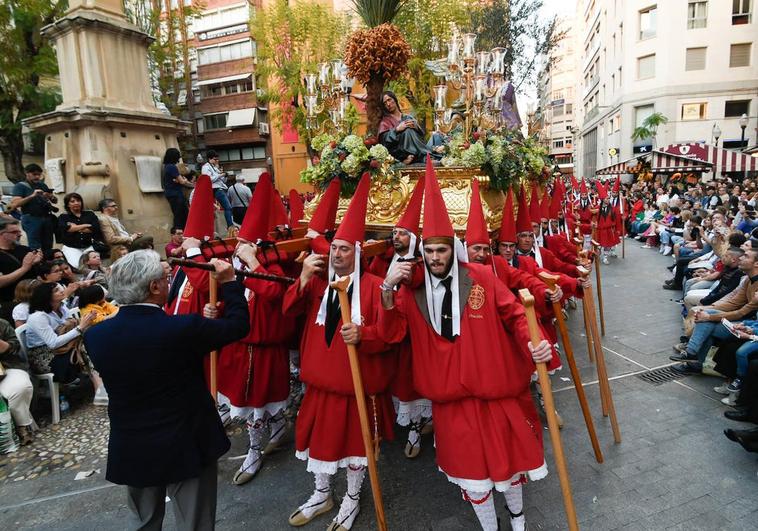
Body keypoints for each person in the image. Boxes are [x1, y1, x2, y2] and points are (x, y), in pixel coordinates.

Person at [377, 164, 551, 531]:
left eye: (441, 249)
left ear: (452, 251)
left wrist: (537, 343)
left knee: (510, 466)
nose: (436, 257)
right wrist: (387, 290)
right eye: (430, 251)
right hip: (449, 402)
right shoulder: (412, 292)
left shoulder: (483, 278)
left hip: (494, 392)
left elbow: (516, 315)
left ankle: (517, 521)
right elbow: (391, 334)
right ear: (421, 253)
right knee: (473, 476)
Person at [83, 250, 249, 530]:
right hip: (187, 440)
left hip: (134, 443)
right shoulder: (181, 328)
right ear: (154, 287)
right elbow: (238, 326)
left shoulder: (96, 336)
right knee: (194, 523)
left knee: (143, 522)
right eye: (165, 277)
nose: (168, 280)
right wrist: (230, 283)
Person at [282, 175, 396, 531]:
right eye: (334, 248)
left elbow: (393, 334)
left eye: (345, 249)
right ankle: (322, 493)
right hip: (318, 386)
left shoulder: (375, 287)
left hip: (355, 390)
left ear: (358, 254)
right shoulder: (317, 282)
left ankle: (351, 497)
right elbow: (289, 313)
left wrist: (364, 335)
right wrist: (301, 279)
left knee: (355, 451)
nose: (336, 253)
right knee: (318, 446)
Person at [212, 176, 294, 485]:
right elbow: (229, 299)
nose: (241, 248)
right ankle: (277, 429)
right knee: (244, 403)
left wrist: (253, 264)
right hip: (238, 345)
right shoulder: (235, 265)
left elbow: (275, 295)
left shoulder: (274, 266)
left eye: (247, 245)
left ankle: (255, 451)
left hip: (265, 347)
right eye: (240, 244)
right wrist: (216, 309)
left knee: (260, 403)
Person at [26, 282, 97, 384]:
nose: (62, 291)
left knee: (92, 340)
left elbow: (71, 328)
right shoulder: (38, 316)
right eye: (56, 290)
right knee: (85, 348)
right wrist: (80, 327)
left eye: (61, 288)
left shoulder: (62, 308)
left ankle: (99, 383)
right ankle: (99, 384)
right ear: (46, 296)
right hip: (44, 355)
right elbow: (53, 343)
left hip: (65, 346)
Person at [0, 218, 43, 321]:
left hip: (35, 299)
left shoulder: (24, 249)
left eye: (19, 231)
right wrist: (24, 268)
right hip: (11, 304)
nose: (19, 234)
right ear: (2, 234)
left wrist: (36, 263)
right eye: (14, 232)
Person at [0, 317, 34, 445]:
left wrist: (4, 346)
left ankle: (21, 427)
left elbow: (15, 346)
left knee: (20, 387)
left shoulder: (2, 324)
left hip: (7, 368)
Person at [9, 163, 58, 251]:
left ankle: (47, 263)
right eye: (34, 174)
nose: (37, 177)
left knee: (48, 246)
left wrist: (50, 197)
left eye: (39, 174)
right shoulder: (20, 186)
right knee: (35, 247)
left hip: (46, 218)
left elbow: (55, 201)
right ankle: (37, 264)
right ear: (27, 173)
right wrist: (32, 195)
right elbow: (15, 204)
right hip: (31, 219)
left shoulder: (42, 185)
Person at [378, 91, 435, 165]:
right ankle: (426, 155)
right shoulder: (385, 122)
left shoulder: (407, 117)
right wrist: (397, 130)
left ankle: (420, 155)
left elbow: (421, 137)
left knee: (410, 128)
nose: (388, 104)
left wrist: (416, 127)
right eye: (385, 103)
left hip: (413, 148)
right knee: (408, 131)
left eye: (389, 100)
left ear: (395, 99)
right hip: (398, 151)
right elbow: (383, 141)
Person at [57, 193, 104, 267]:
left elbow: (95, 228)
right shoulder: (63, 217)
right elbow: (67, 229)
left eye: (78, 201)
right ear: (68, 204)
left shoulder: (90, 214)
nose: (76, 203)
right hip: (71, 247)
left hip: (87, 246)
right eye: (72, 201)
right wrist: (85, 225)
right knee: (76, 266)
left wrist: (75, 228)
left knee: (95, 264)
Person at [201, 150, 234, 228]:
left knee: (227, 207)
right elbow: (208, 179)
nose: (217, 161)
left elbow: (222, 180)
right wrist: (221, 175)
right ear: (210, 158)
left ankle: (230, 226)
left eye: (217, 159)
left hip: (220, 188)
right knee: (228, 207)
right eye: (215, 159)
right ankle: (230, 226)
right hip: (215, 189)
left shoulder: (214, 167)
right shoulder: (206, 167)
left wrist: (224, 176)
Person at [162, 147, 191, 230]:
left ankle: (179, 233)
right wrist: (184, 180)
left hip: (171, 194)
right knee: (181, 216)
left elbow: (176, 180)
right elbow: (182, 181)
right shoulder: (172, 167)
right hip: (176, 195)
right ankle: (179, 233)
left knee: (179, 215)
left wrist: (177, 180)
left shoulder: (166, 167)